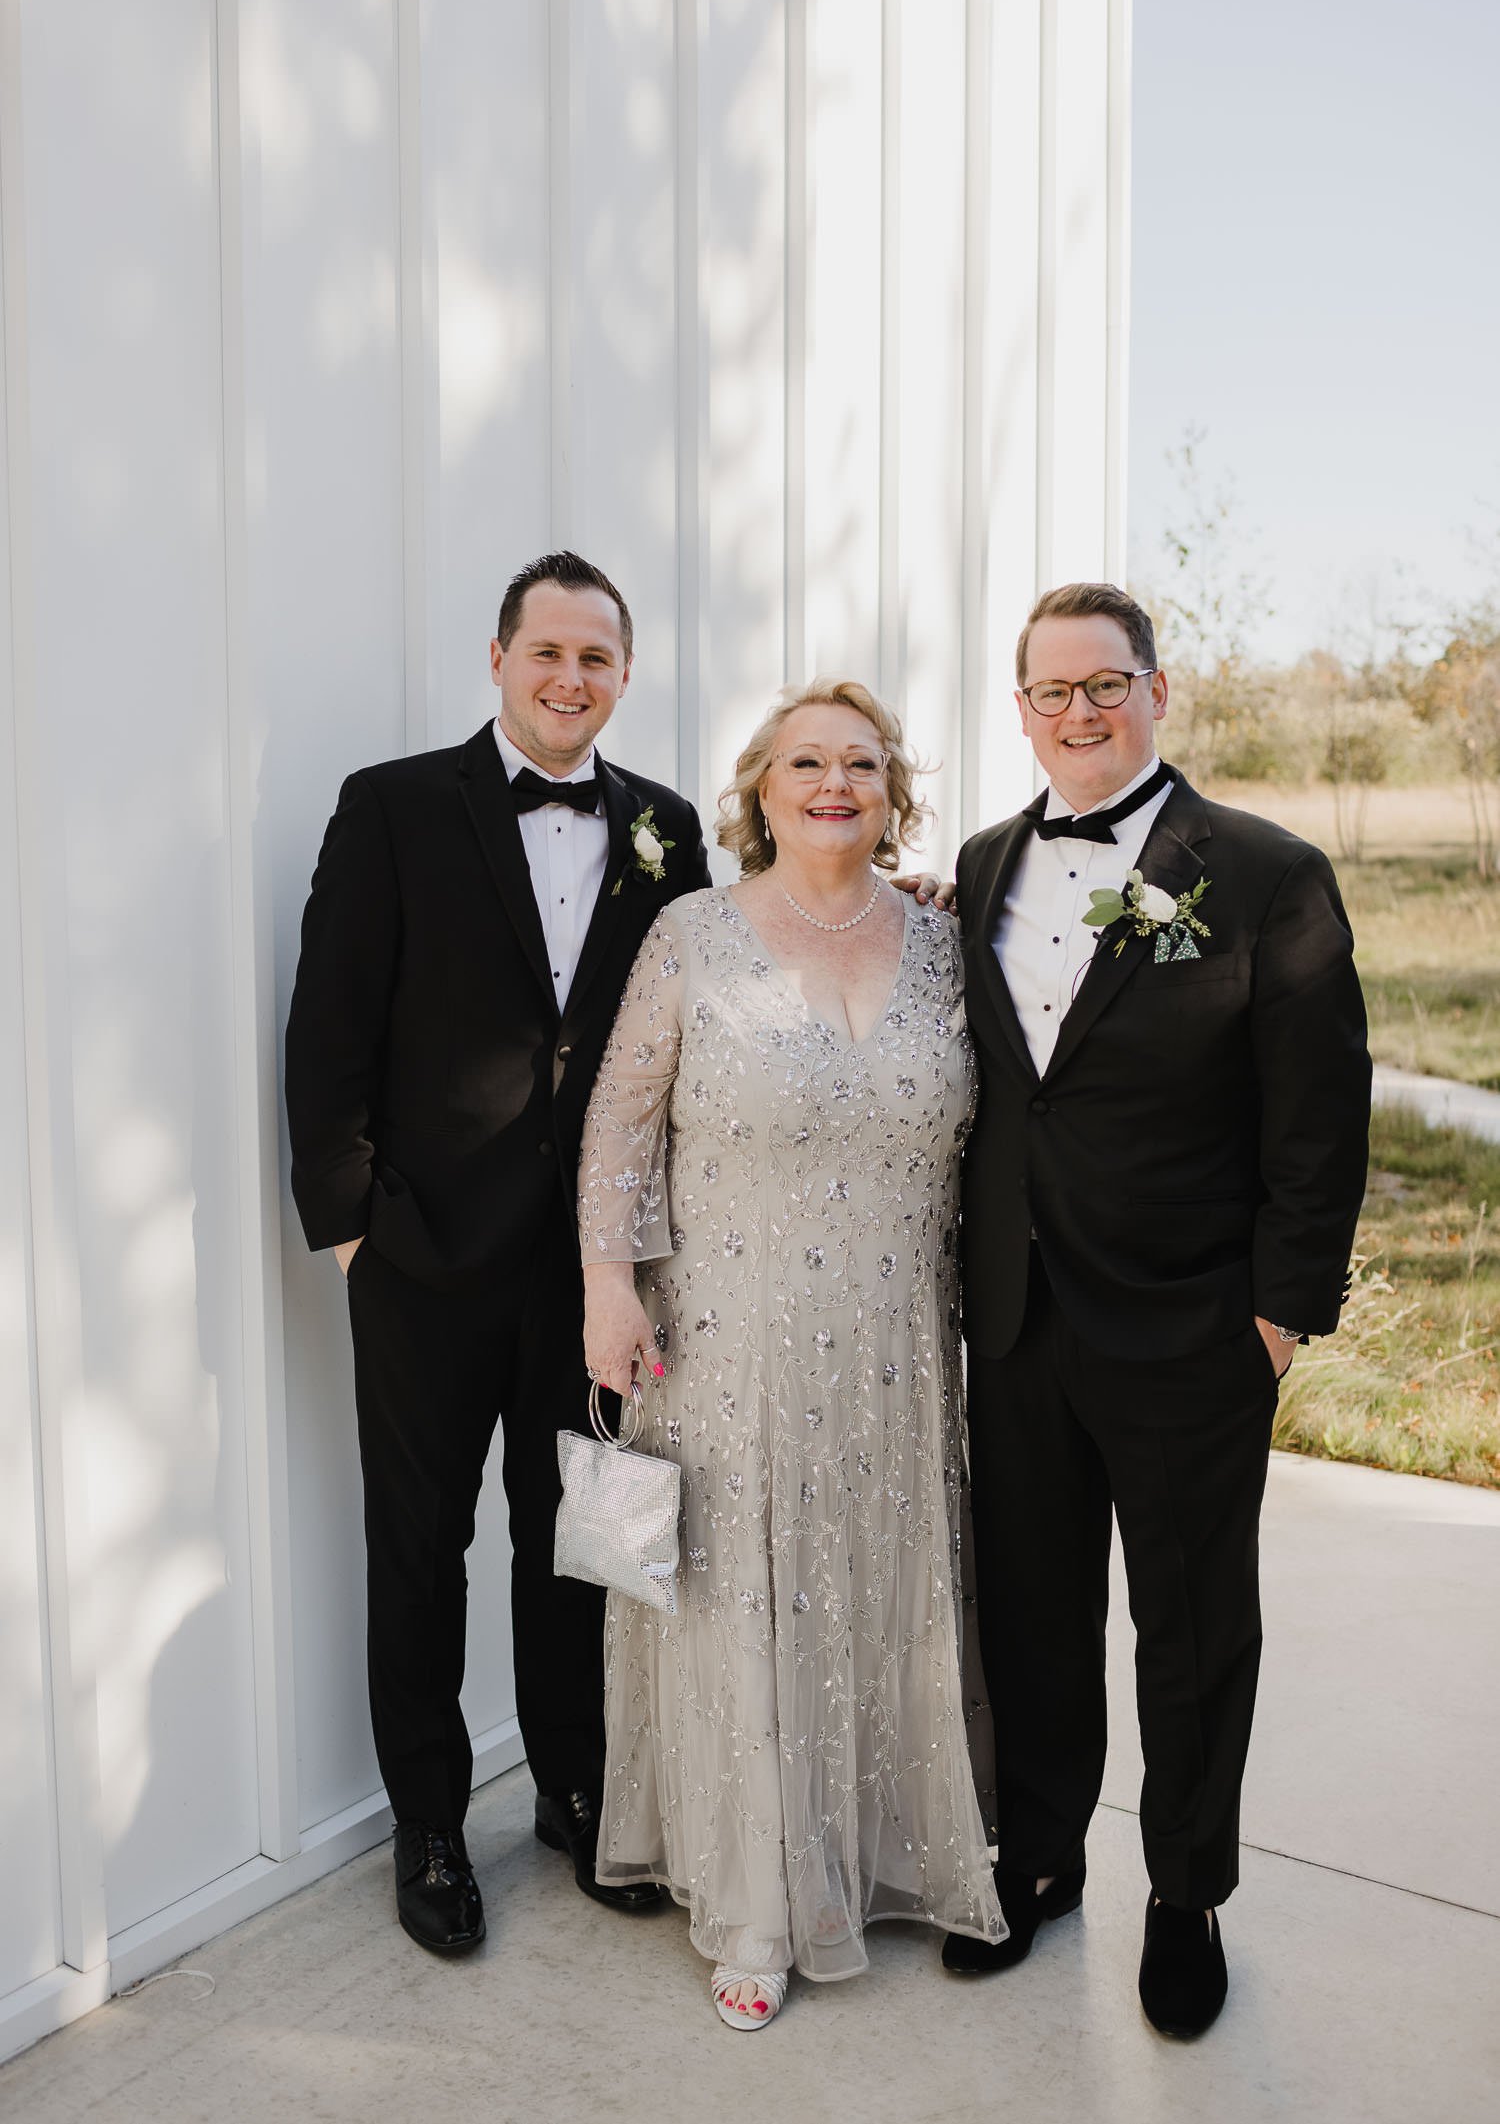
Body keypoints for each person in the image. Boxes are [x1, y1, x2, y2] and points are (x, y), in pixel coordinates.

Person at [944, 582, 1369, 2035]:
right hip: (1014, 1314)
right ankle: (1042, 1858)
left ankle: (1185, 1896)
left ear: (1158, 690)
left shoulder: (1264, 871)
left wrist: (1279, 1315)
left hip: (1193, 1324)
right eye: (1051, 690)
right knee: (1033, 1609)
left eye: (1105, 684)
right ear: (1020, 707)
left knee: (1191, 1623)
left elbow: (1321, 1122)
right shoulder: (985, 859)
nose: (1080, 711)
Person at [284, 551, 709, 1953]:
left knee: (576, 1536)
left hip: (593, 1270)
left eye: (597, 657)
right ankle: (427, 1827)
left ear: (624, 675)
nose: (570, 677)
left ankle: (578, 1796)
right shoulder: (395, 805)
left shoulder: (669, 827)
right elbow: (328, 1030)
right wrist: (349, 1229)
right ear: (498, 657)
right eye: (548, 652)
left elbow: (701, 1024)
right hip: (419, 1254)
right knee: (418, 1546)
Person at [578, 680, 1003, 2030]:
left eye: (861, 764)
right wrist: (607, 1285)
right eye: (805, 762)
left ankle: (885, 1855)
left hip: (897, 1346)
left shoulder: (945, 942)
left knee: (880, 1593)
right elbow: (619, 1131)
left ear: (894, 791)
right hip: (724, 1340)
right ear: (758, 789)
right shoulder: (691, 933)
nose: (835, 783)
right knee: (745, 1604)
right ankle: (755, 1904)